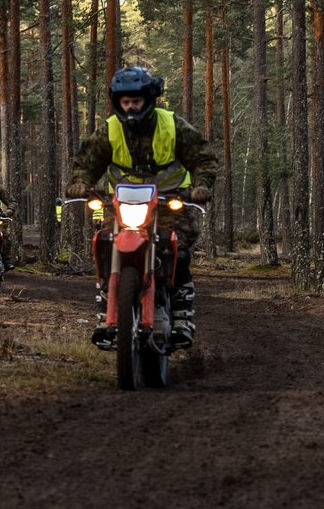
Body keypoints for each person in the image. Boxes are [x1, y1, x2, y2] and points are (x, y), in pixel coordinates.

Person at [67, 65, 216, 346]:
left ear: (148, 99)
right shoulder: (109, 130)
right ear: (117, 103)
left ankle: (182, 316)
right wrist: (79, 182)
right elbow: (85, 163)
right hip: (120, 204)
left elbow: (203, 159)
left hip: (168, 202)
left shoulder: (173, 125)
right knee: (104, 244)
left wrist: (201, 186)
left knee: (178, 251)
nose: (131, 107)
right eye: (125, 102)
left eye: (136, 101)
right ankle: (105, 314)